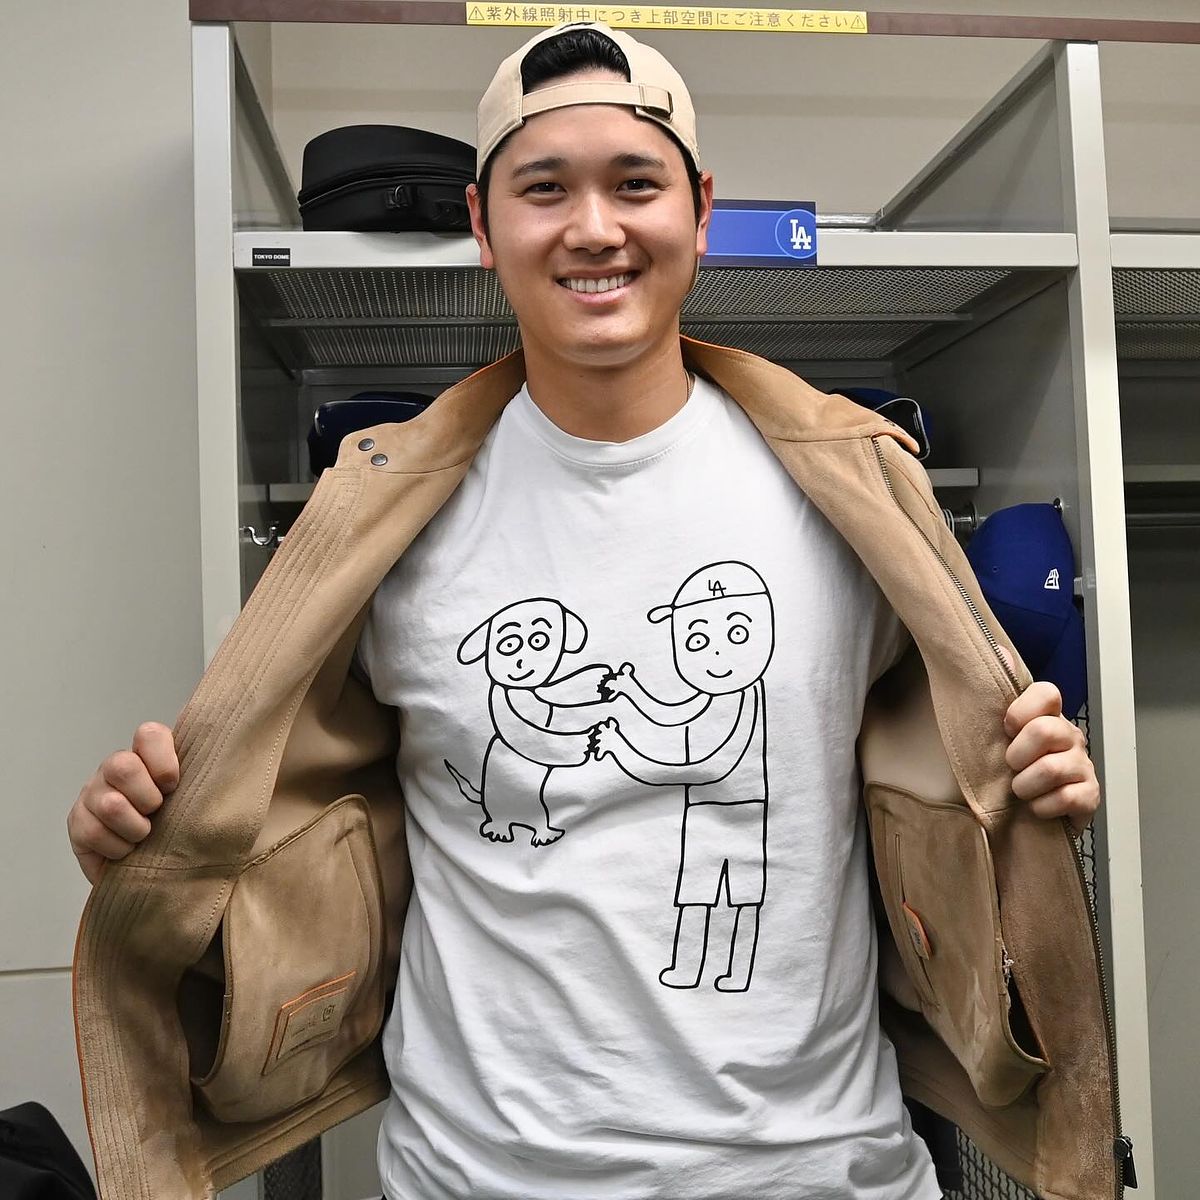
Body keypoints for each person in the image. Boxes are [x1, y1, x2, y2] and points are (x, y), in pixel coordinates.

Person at [67, 22, 1102, 1200]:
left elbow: (949, 788)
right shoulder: (382, 522)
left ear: (699, 212)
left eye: (636, 184)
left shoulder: (854, 495)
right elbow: (290, 837)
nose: (595, 228)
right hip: (477, 1179)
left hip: (821, 1170)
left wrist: (1032, 784)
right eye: (545, 188)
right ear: (483, 223)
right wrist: (148, 852)